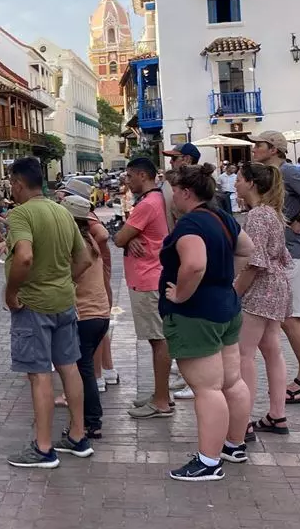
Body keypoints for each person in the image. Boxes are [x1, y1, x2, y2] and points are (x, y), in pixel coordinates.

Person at [161, 164, 254, 481]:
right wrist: (226, 277)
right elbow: (247, 248)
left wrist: (181, 294)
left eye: (175, 191)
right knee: (232, 381)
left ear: (186, 192)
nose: (172, 197)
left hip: (197, 314)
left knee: (207, 388)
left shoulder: (190, 224)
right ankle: (233, 445)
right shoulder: (221, 217)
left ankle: (208, 462)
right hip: (226, 306)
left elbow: (194, 264)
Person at [2, 157, 95, 468]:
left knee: (39, 374)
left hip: (33, 305)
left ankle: (43, 447)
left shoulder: (21, 214)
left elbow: (24, 257)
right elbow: (84, 259)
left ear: (18, 184)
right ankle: (78, 435)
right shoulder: (62, 211)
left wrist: (12, 292)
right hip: (64, 302)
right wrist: (64, 281)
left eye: (11, 184)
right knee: (69, 367)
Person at [249, 130, 300, 405]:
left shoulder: (287, 171)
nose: (254, 149)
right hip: (297, 252)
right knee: (299, 318)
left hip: (296, 252)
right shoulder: (275, 173)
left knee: (290, 317)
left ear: (273, 149)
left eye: (258, 145)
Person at [233, 162, 293, 441]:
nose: (235, 184)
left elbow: (255, 262)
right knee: (272, 350)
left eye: (239, 179)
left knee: (244, 353)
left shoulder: (257, 215)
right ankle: (277, 414)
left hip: (261, 288)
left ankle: (243, 420)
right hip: (278, 285)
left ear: (251, 184)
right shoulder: (273, 213)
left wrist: (235, 291)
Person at [115, 157, 176, 419]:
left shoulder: (147, 204)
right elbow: (129, 237)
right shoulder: (157, 199)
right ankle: (162, 393)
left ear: (142, 175)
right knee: (157, 338)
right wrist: (132, 239)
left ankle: (161, 400)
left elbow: (119, 237)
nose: (127, 181)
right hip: (153, 275)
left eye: (130, 176)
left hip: (148, 277)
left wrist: (127, 238)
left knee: (158, 339)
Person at [60, 194, 112, 440]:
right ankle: (90, 421)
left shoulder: (76, 243)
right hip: (100, 313)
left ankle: (89, 422)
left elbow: (71, 272)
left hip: (86, 315)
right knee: (85, 369)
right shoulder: (89, 239)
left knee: (82, 372)